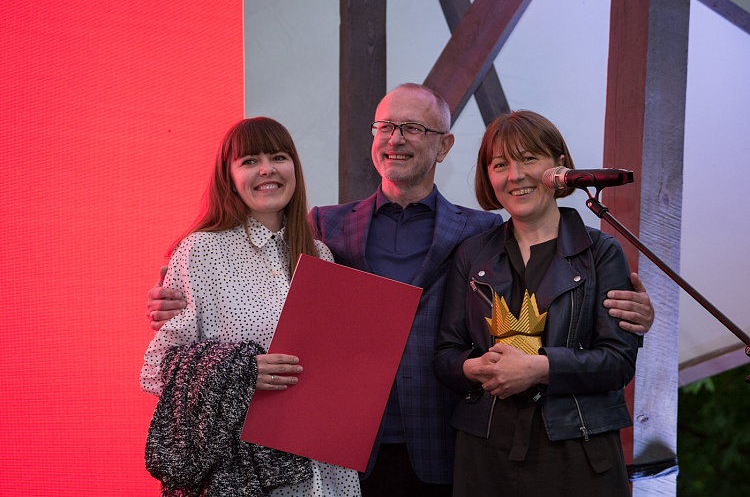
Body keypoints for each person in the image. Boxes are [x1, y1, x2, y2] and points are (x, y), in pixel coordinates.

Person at [147, 84, 655, 496]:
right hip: (340, 447)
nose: (397, 138)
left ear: (444, 146)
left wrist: (636, 313)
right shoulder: (323, 229)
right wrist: (175, 295)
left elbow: (549, 302)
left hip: (446, 442)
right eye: (386, 127)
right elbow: (261, 288)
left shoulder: (481, 234)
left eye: (414, 128)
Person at [140, 117, 361, 496]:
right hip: (241, 470)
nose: (266, 169)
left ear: (294, 168)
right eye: (249, 161)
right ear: (229, 177)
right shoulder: (200, 251)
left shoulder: (320, 255)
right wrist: (240, 372)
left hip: (321, 463)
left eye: (278, 157)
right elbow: (158, 371)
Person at [435, 110, 641, 496]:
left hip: (579, 450)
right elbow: (445, 354)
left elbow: (618, 363)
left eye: (529, 158)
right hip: (485, 454)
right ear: (488, 176)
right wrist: (472, 367)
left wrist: (539, 368)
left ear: (559, 165)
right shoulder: (471, 254)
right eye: (500, 164)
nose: (515, 175)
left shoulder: (600, 252)